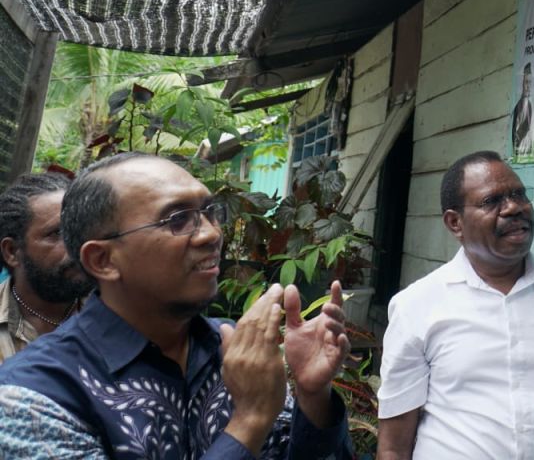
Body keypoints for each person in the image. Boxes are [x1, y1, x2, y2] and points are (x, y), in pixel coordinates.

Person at [0, 152, 354, 459]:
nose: (212, 234)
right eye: (177, 219)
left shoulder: (231, 348)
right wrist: (250, 419)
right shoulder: (33, 396)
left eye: (208, 211)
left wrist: (313, 396)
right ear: (103, 260)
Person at [377, 150, 534, 460]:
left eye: (519, 194)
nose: (514, 207)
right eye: (492, 201)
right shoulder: (417, 306)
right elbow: (394, 444)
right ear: (454, 222)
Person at [0, 172, 93, 363]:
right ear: (12, 251)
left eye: (79, 230)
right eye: (57, 233)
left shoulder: (117, 314)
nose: (77, 245)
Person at [512, 62, 534, 157]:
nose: (528, 86)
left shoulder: (531, 104)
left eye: (530, 83)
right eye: (526, 82)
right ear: (522, 83)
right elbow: (518, 133)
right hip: (522, 154)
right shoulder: (521, 105)